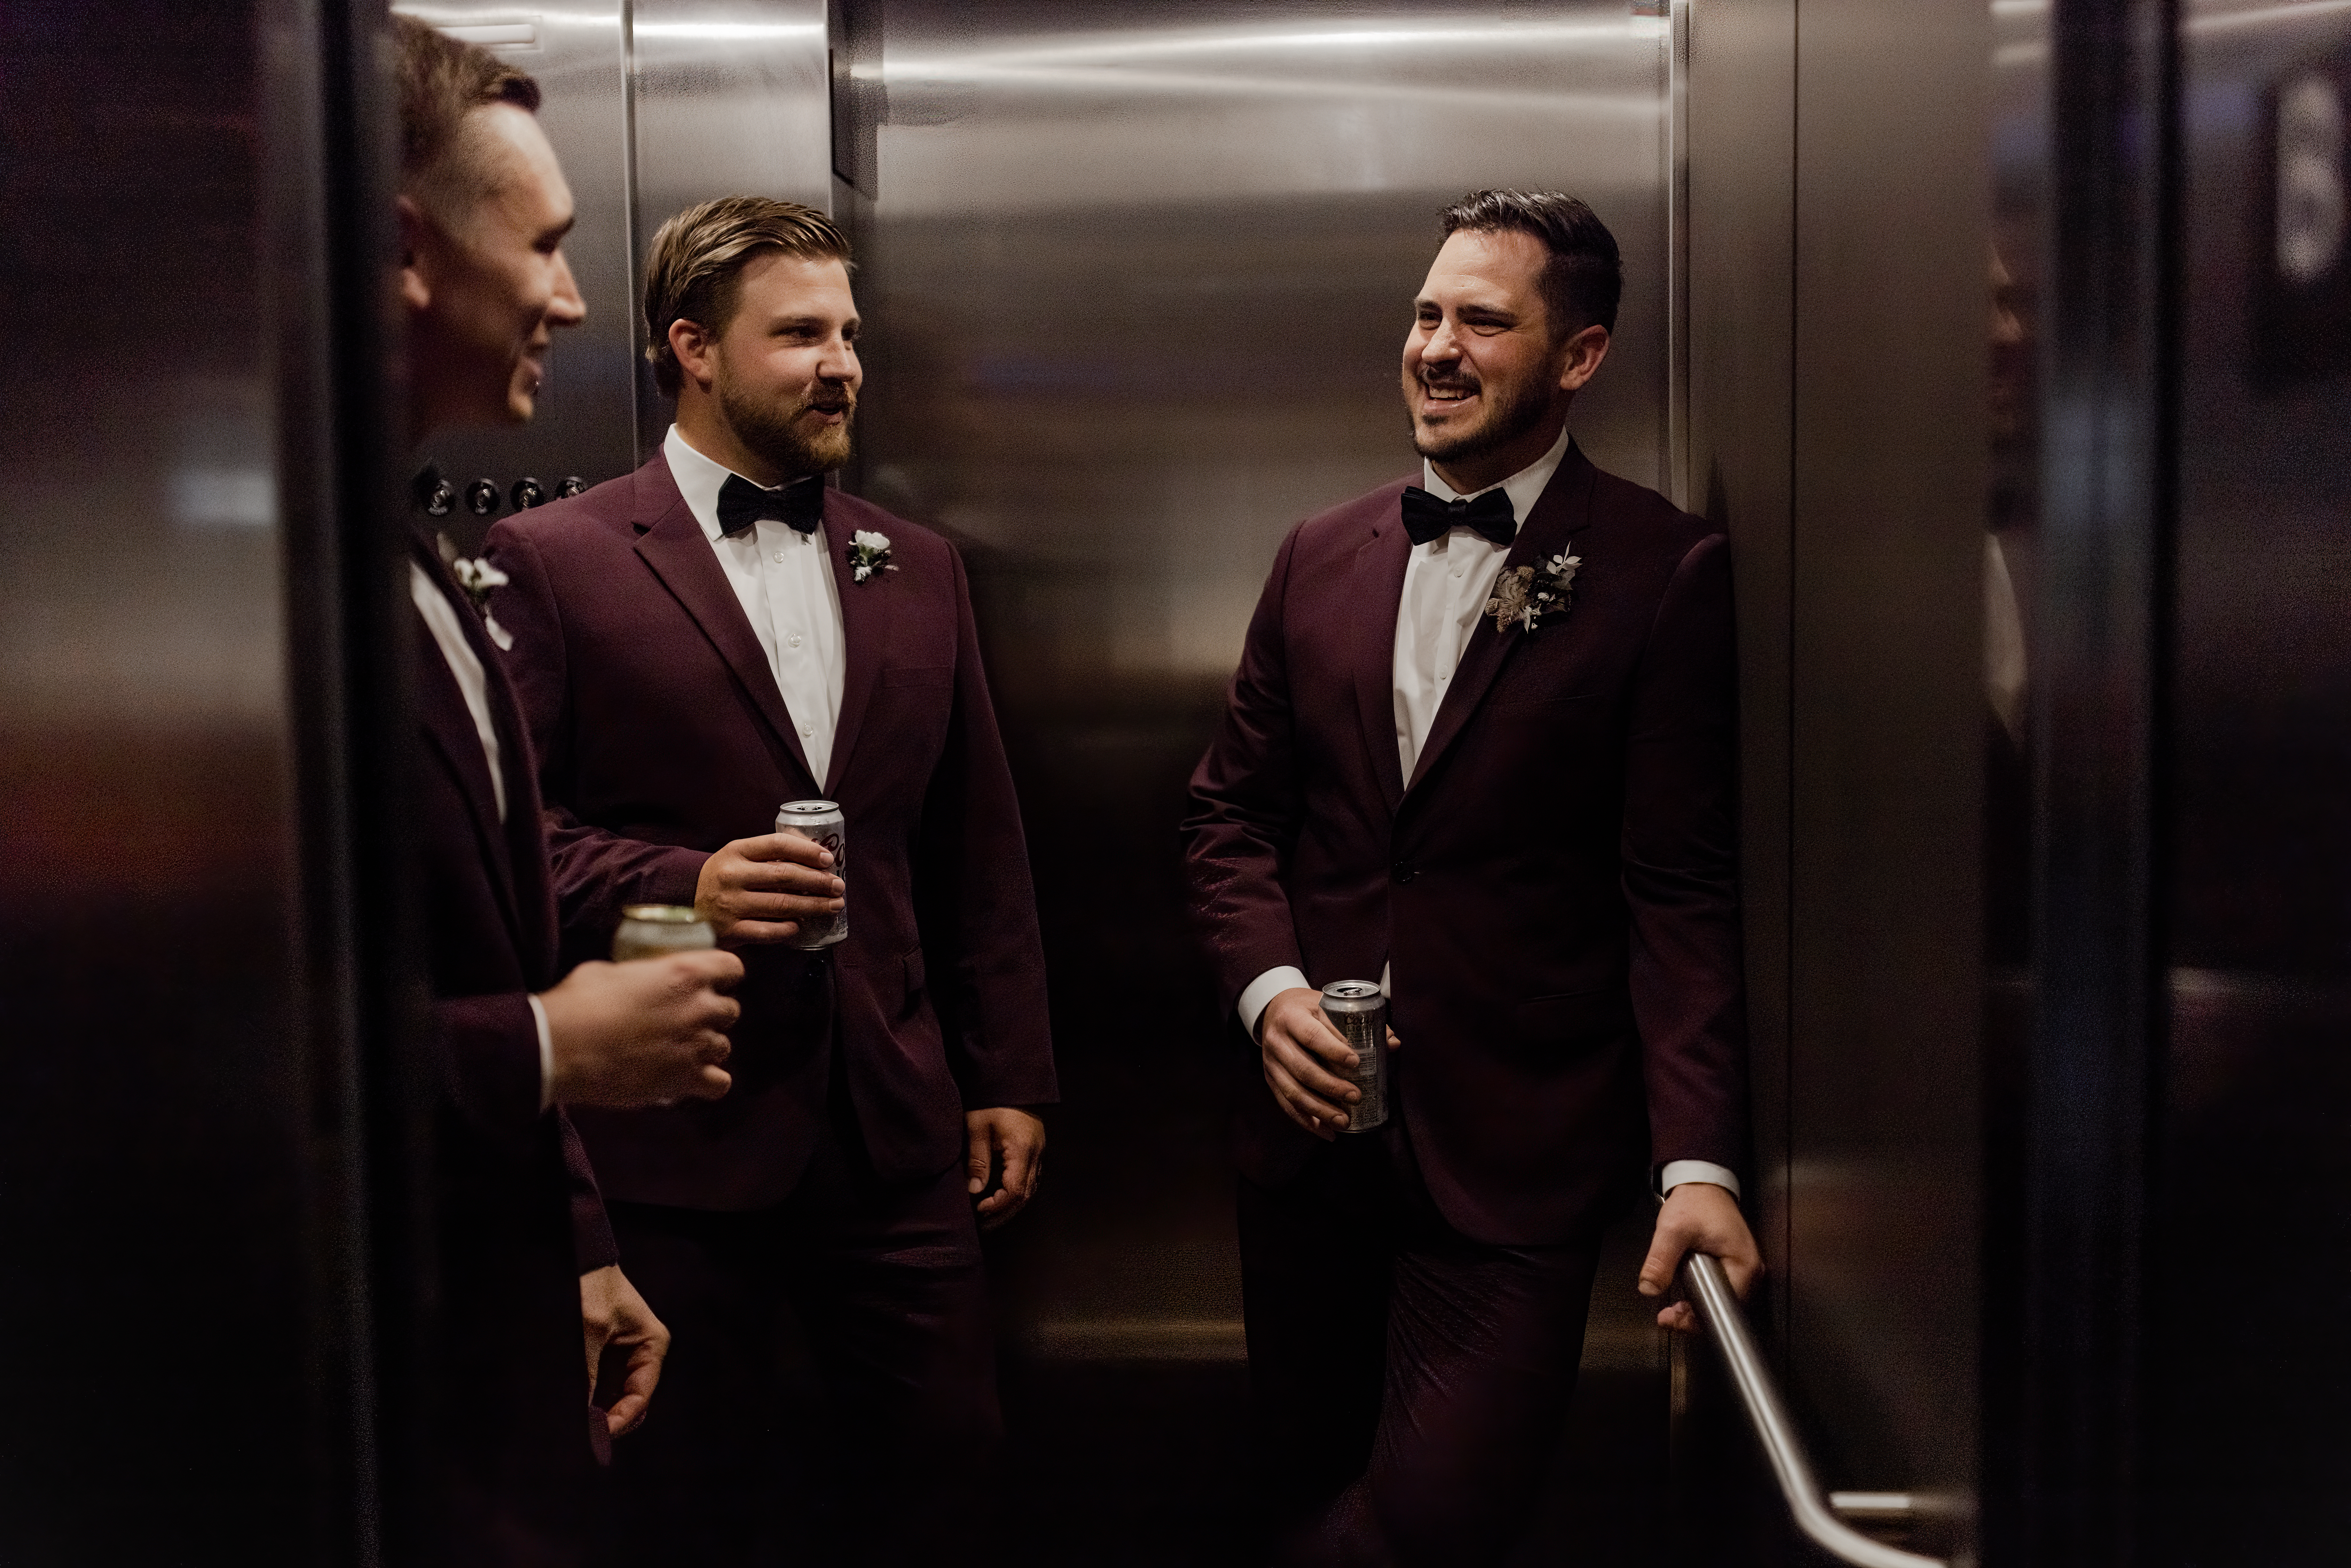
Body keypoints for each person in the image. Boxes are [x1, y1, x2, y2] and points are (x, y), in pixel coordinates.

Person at [1179, 188, 1762, 1565]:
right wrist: (1267, 996)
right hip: (1304, 1153)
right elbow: (1227, 819)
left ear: (1578, 356)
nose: (1435, 347)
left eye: (1481, 321)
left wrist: (1698, 1157)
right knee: (1299, 1489)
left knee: (1432, 1526)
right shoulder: (1317, 554)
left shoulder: (1658, 569)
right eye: (1426, 312)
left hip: (1517, 1158)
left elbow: (1675, 890)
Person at [482, 195, 1058, 1565]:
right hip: (674, 1135)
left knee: (947, 1476)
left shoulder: (917, 566)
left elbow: (976, 841)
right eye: (799, 334)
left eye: (848, 333)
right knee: (693, 1502)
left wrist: (1010, 1073)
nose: (841, 363)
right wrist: (688, 883)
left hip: (896, 1129)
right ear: (692, 346)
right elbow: (514, 850)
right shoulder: (555, 563)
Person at [391, 18, 747, 1561]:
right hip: (372, 1344)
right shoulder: (244, 591)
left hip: (502, 1299)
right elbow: (183, 1054)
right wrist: (547, 1042)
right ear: (409, 252)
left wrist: (580, 1245)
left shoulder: (405, 553)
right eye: (544, 246)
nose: (574, 298)